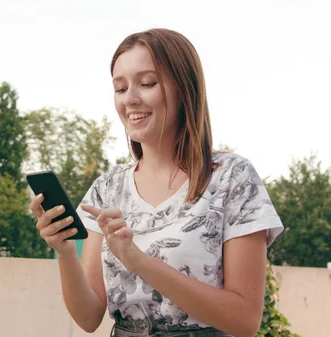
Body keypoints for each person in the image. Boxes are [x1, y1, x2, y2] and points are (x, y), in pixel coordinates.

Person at [29, 28, 284, 337]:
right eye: (120, 88)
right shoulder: (106, 189)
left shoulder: (233, 177)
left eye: (147, 83)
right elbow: (89, 317)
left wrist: (138, 260)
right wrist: (66, 251)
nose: (131, 99)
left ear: (185, 88)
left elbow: (244, 321)